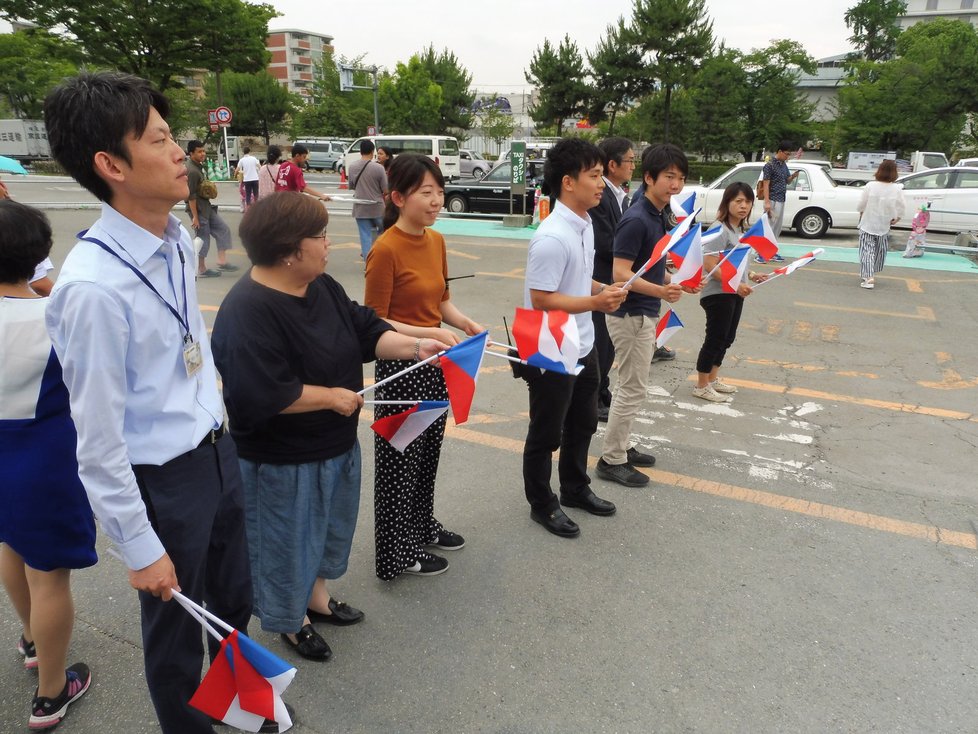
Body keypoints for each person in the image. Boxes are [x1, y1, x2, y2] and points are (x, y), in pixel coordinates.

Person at [43, 71, 265, 734]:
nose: (180, 153)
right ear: (110, 165)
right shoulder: (92, 288)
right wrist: (140, 547)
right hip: (163, 482)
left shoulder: (172, 238)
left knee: (232, 603)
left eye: (175, 136)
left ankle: (242, 707)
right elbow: (99, 442)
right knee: (174, 637)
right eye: (160, 139)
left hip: (216, 454)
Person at [212, 192, 450, 660]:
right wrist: (329, 397)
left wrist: (413, 345)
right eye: (319, 237)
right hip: (282, 460)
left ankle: (317, 600)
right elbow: (257, 394)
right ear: (288, 251)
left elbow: (364, 327)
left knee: (327, 531)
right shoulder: (247, 312)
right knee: (287, 544)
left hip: (335, 444)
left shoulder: (319, 286)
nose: (329, 245)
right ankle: (291, 620)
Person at [0, 199, 96, 730]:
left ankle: (33, 639)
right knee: (50, 575)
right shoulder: (54, 316)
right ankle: (51, 692)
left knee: (10, 542)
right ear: (38, 255)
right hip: (45, 456)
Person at [364, 153, 482, 578]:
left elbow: (441, 300)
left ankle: (420, 525)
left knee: (427, 452)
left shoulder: (436, 241)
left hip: (438, 361)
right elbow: (374, 318)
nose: (436, 201)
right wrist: (424, 336)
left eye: (440, 192)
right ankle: (395, 552)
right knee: (399, 460)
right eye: (426, 193)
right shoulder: (385, 249)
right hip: (402, 368)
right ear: (398, 197)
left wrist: (465, 323)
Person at [520, 138, 627, 538]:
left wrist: (605, 289)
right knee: (546, 431)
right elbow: (542, 298)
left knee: (582, 422)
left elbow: (580, 279)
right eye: (594, 176)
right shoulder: (551, 237)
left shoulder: (583, 225)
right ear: (568, 182)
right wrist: (597, 302)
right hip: (547, 343)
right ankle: (541, 503)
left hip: (581, 340)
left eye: (602, 175)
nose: (602, 183)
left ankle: (574, 487)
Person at [597, 143, 695, 489]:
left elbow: (649, 268)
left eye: (681, 178)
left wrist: (675, 282)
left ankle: (620, 445)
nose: (676, 185)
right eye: (669, 177)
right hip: (630, 315)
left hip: (643, 312)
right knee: (631, 388)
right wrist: (661, 292)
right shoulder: (637, 218)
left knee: (632, 387)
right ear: (649, 177)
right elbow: (620, 273)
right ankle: (612, 459)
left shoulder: (657, 213)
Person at [692, 182, 768, 403]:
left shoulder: (738, 230)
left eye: (748, 201)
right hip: (718, 294)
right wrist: (736, 285)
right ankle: (701, 384)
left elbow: (734, 263)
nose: (744, 206)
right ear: (727, 203)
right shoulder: (719, 228)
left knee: (727, 337)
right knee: (715, 338)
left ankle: (712, 379)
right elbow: (709, 263)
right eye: (738, 201)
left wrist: (752, 275)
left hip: (734, 293)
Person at [590, 136, 634, 423]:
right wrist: (631, 250)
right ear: (612, 164)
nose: (633, 166)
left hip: (611, 283)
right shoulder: (600, 196)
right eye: (629, 160)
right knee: (599, 344)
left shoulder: (618, 194)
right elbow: (605, 242)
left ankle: (601, 393)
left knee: (607, 345)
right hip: (600, 279)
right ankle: (593, 399)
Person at [185, 140, 239, 278]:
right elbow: (190, 196)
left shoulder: (198, 166)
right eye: (199, 151)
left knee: (223, 229)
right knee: (203, 238)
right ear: (191, 153)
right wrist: (195, 217)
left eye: (203, 151)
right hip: (198, 210)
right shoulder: (191, 170)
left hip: (207, 208)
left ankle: (222, 260)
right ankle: (201, 269)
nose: (203, 153)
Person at [857, 159, 904, 289]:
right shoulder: (897, 188)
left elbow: (862, 203)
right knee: (879, 250)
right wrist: (898, 217)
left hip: (868, 222)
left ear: (879, 170)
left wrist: (861, 212)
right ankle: (870, 272)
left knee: (866, 250)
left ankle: (868, 276)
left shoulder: (871, 185)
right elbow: (901, 205)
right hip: (884, 223)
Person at [755, 141, 798, 264]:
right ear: (779, 151)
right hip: (772, 198)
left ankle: (771, 251)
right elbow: (766, 184)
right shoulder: (770, 165)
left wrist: (793, 177)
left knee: (776, 228)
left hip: (781, 198)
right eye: (786, 154)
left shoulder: (783, 165)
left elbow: (787, 181)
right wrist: (767, 202)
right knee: (768, 226)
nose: (787, 156)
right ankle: (761, 253)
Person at [348, 139, 388, 261]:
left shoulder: (352, 166)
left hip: (360, 207)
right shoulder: (379, 168)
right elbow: (385, 190)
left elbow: (351, 186)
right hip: (377, 207)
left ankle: (369, 262)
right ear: (372, 151)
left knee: (365, 235)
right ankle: (380, 257)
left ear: (360, 151)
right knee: (383, 233)